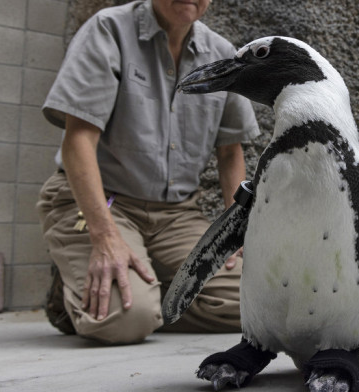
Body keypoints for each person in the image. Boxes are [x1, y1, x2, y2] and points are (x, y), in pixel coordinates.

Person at [37, 0, 260, 345]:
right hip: (104, 205)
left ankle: (148, 292)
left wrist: (234, 230)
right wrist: (104, 236)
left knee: (255, 302)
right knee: (124, 319)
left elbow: (230, 152)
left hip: (177, 216)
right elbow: (78, 138)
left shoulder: (221, 54)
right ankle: (83, 298)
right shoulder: (108, 30)